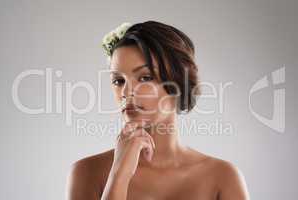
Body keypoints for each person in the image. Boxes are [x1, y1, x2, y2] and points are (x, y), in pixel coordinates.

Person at [66, 21, 250, 200]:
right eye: (118, 80)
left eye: (145, 78)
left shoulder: (223, 177)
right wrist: (119, 175)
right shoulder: (87, 173)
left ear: (179, 83)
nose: (126, 92)